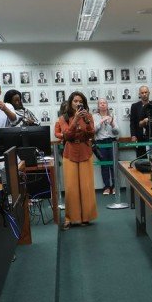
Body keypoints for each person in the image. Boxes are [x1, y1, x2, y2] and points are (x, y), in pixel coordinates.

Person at [55, 92, 97, 230]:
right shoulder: (63, 118)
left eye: (80, 101)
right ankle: (71, 218)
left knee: (86, 186)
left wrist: (86, 121)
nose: (78, 103)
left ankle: (86, 217)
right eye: (75, 101)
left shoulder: (88, 116)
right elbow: (66, 135)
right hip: (70, 152)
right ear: (70, 103)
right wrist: (75, 120)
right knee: (71, 187)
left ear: (84, 103)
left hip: (85, 151)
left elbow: (91, 133)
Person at [94, 98, 120, 195]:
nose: (103, 104)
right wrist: (101, 121)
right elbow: (93, 130)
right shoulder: (94, 116)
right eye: (100, 103)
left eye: (104, 103)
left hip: (112, 141)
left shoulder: (112, 115)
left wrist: (112, 123)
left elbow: (117, 131)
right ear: (98, 106)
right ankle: (106, 187)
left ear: (107, 105)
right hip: (101, 143)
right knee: (104, 165)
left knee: (114, 165)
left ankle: (114, 186)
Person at [129, 85, 151, 159]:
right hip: (139, 136)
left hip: (151, 137)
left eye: (146, 92)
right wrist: (133, 135)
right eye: (142, 93)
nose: (144, 94)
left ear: (149, 93)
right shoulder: (135, 106)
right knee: (141, 159)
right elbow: (132, 122)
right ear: (139, 94)